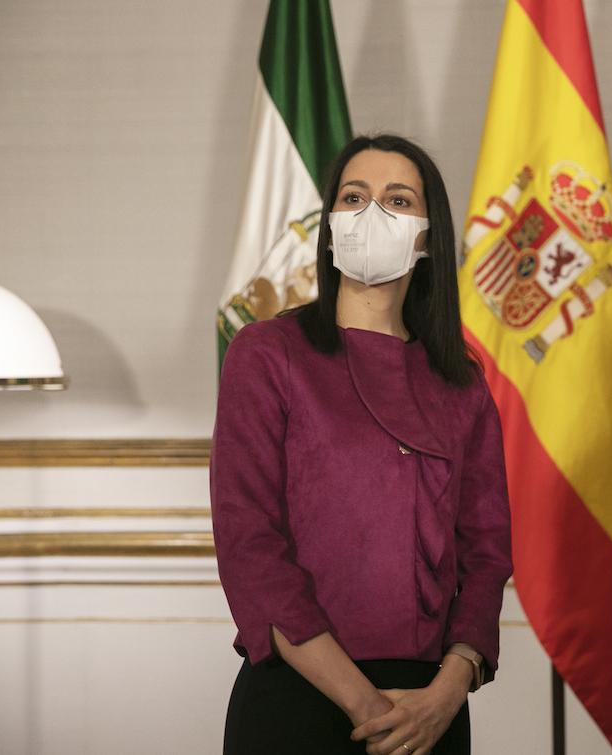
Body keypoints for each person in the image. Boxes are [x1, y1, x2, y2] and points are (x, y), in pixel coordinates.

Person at [211, 134, 512, 755]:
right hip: (298, 695)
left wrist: (447, 692)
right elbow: (250, 549)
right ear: (328, 229)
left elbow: (487, 554)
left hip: (431, 707)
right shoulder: (267, 354)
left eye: (398, 200)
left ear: (429, 237)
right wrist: (367, 706)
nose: (372, 213)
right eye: (354, 197)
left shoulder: (462, 381)